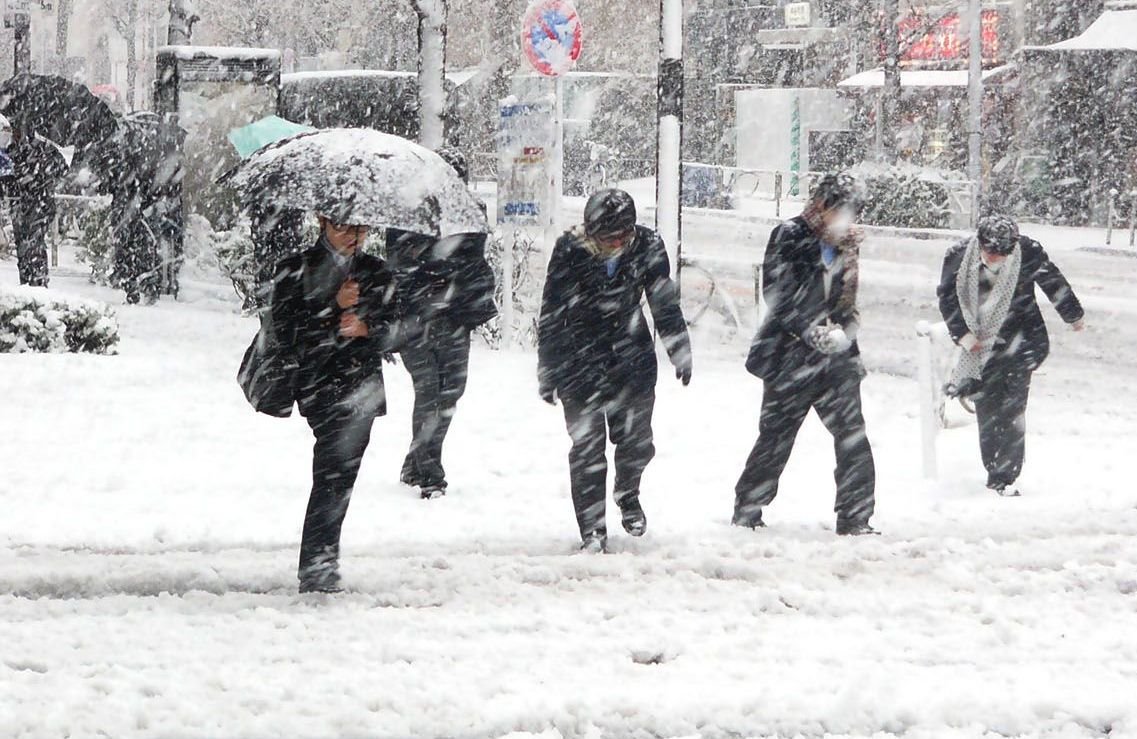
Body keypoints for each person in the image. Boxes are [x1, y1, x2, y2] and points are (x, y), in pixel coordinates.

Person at [538, 188, 693, 553]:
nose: (608, 244)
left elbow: (663, 301)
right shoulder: (569, 248)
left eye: (616, 238)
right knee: (587, 447)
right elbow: (552, 309)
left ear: (630, 233)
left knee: (636, 442)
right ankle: (592, 529)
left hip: (631, 357)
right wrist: (547, 368)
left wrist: (679, 349)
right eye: (601, 238)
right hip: (579, 359)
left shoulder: (648, 246)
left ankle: (628, 492)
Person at [734, 173, 878, 536]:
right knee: (776, 437)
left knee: (853, 436)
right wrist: (809, 330)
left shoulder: (847, 244)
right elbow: (777, 293)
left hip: (836, 361)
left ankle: (855, 517)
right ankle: (748, 510)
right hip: (789, 356)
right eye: (842, 212)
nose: (848, 222)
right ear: (823, 205)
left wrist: (845, 333)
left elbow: (845, 301)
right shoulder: (790, 235)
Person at [270, 214, 402, 593]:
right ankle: (318, 565)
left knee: (339, 478)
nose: (353, 237)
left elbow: (399, 330)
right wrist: (330, 305)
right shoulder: (296, 269)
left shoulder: (376, 273)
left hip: (362, 388)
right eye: (344, 227)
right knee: (332, 474)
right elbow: (286, 329)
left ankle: (321, 561)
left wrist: (367, 328)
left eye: (361, 229)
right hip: (319, 384)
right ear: (323, 223)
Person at [937, 214, 1085, 497]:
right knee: (988, 410)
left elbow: (1052, 281)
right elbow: (947, 296)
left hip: (1022, 341)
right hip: (980, 346)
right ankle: (994, 468)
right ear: (979, 243)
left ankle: (1005, 476)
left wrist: (1073, 315)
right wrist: (964, 335)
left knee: (1013, 409)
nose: (996, 258)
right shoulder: (958, 256)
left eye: (1002, 253)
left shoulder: (1026, 251)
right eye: (990, 252)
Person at [386, 148, 497, 499]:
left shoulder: (472, 211)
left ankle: (415, 460)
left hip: (455, 317)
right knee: (429, 389)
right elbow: (399, 265)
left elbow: (473, 260)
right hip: (415, 317)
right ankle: (431, 474)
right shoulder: (404, 212)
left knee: (450, 393)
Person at [5, 121, 68, 287]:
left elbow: (61, 168)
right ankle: (28, 282)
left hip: (38, 203)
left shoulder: (41, 147)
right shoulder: (11, 151)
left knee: (34, 245)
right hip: (22, 205)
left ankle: (38, 282)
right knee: (24, 247)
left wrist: (38, 177)